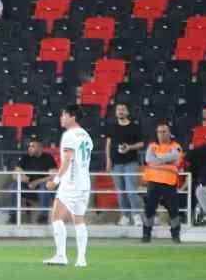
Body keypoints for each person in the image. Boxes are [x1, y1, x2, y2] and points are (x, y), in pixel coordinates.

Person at [44, 105, 94, 267]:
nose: (61, 118)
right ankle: (81, 258)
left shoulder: (69, 135)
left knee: (56, 217)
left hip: (71, 182)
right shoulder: (86, 135)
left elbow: (67, 160)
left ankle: (61, 255)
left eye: (64, 115)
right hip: (84, 182)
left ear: (72, 117)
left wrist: (56, 181)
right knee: (79, 219)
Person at [139, 122, 184, 243]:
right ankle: (146, 234)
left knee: (173, 210)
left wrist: (157, 158)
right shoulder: (152, 146)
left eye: (164, 131)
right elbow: (148, 159)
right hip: (153, 182)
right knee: (149, 209)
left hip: (169, 182)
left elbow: (176, 159)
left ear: (169, 133)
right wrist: (167, 159)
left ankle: (175, 235)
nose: (161, 134)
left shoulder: (176, 146)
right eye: (159, 132)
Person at [105, 103, 144, 228]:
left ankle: (136, 215)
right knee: (121, 192)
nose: (121, 111)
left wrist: (130, 147)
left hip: (131, 162)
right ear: (116, 112)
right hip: (116, 164)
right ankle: (125, 216)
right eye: (119, 109)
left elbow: (141, 144)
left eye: (123, 109)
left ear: (127, 112)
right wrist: (108, 160)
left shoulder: (134, 126)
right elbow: (108, 145)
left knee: (131, 191)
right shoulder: (111, 127)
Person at [14, 136, 56, 225]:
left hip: (41, 186)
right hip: (27, 186)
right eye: (29, 146)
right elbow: (15, 172)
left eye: (32, 146)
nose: (30, 148)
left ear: (40, 147)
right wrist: (22, 176)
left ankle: (43, 216)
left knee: (44, 187)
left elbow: (53, 176)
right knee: (13, 186)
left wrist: (36, 182)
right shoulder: (26, 157)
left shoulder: (48, 158)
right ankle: (13, 214)